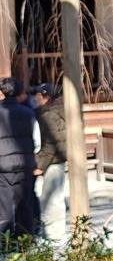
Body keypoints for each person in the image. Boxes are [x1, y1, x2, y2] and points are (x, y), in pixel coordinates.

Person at [0, 76, 38, 243]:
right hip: (25, 164)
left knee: (4, 208)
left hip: (3, 167)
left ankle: (5, 243)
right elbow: (37, 141)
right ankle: (25, 243)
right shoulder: (29, 113)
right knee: (25, 206)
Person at [32, 82, 68, 248]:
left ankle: (54, 234)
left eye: (38, 95)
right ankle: (51, 232)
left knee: (52, 198)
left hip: (53, 161)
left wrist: (40, 165)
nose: (36, 98)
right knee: (52, 197)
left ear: (45, 97)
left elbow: (52, 143)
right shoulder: (53, 110)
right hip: (54, 159)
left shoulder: (50, 114)